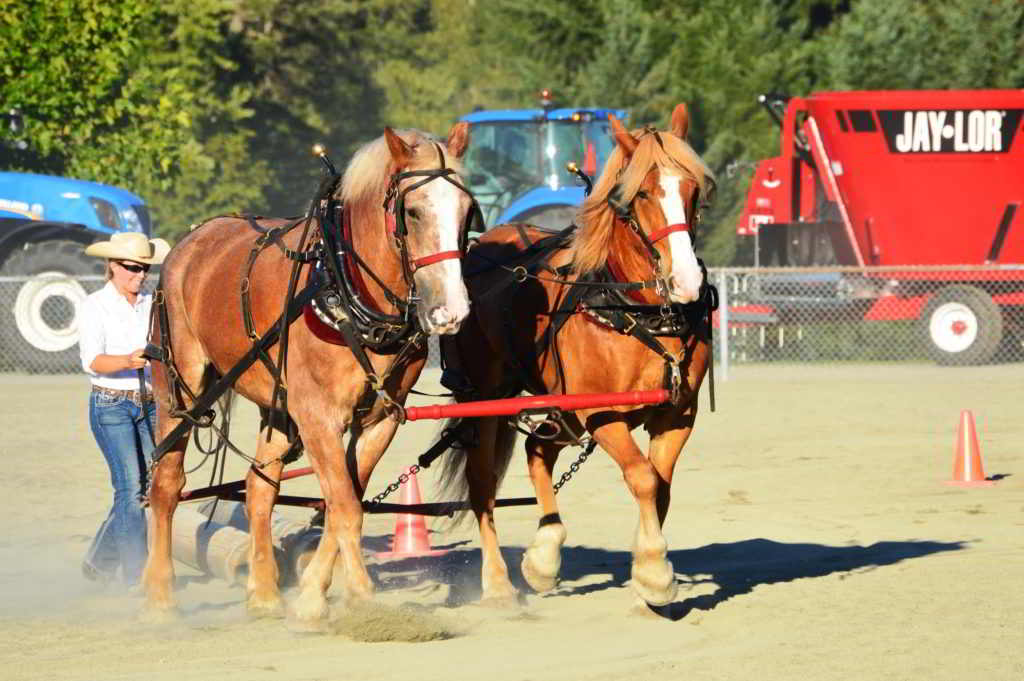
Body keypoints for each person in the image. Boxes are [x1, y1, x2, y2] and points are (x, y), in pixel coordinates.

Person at [77, 232, 170, 589]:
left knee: (148, 487)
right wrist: (128, 360)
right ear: (112, 266)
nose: (139, 274)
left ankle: (100, 559)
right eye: (132, 268)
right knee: (131, 487)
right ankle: (135, 575)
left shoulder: (152, 302)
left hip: (148, 403)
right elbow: (92, 360)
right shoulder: (94, 305)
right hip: (110, 404)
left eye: (144, 268)